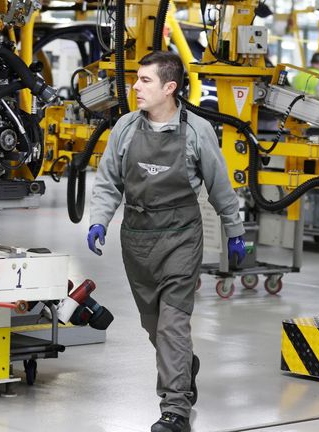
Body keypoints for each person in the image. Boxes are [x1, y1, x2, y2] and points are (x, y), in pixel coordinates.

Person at [86, 51, 246, 432]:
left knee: (173, 325)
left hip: (180, 237)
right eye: (136, 79)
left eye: (145, 81)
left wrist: (235, 229)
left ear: (170, 88)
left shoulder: (197, 131)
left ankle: (175, 409)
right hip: (137, 239)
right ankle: (184, 364)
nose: (135, 87)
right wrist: (99, 222)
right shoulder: (125, 127)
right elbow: (108, 181)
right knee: (153, 324)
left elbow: (219, 186)